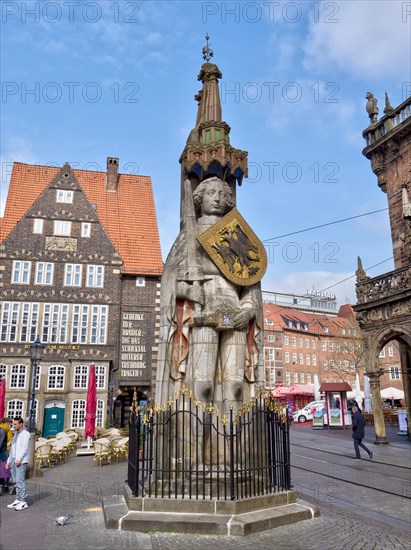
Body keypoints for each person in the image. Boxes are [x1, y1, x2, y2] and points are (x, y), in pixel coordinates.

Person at [156, 177, 262, 413]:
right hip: (203, 315)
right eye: (210, 193)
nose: (216, 198)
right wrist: (187, 290)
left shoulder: (237, 236)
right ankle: (196, 446)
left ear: (228, 200)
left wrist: (247, 312)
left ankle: (232, 445)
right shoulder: (188, 237)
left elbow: (251, 284)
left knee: (235, 387)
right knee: (202, 386)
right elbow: (170, 282)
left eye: (222, 194)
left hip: (234, 316)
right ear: (199, 198)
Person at [6, 416, 31, 510]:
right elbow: (13, 448)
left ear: (21, 424)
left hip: (20, 460)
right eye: (13, 424)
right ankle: (18, 499)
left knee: (20, 481)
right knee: (15, 481)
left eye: (15, 424)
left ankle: (23, 501)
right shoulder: (16, 434)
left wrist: (19, 459)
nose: (14, 426)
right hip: (13, 458)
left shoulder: (25, 434)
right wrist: (9, 461)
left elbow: (24, 448)